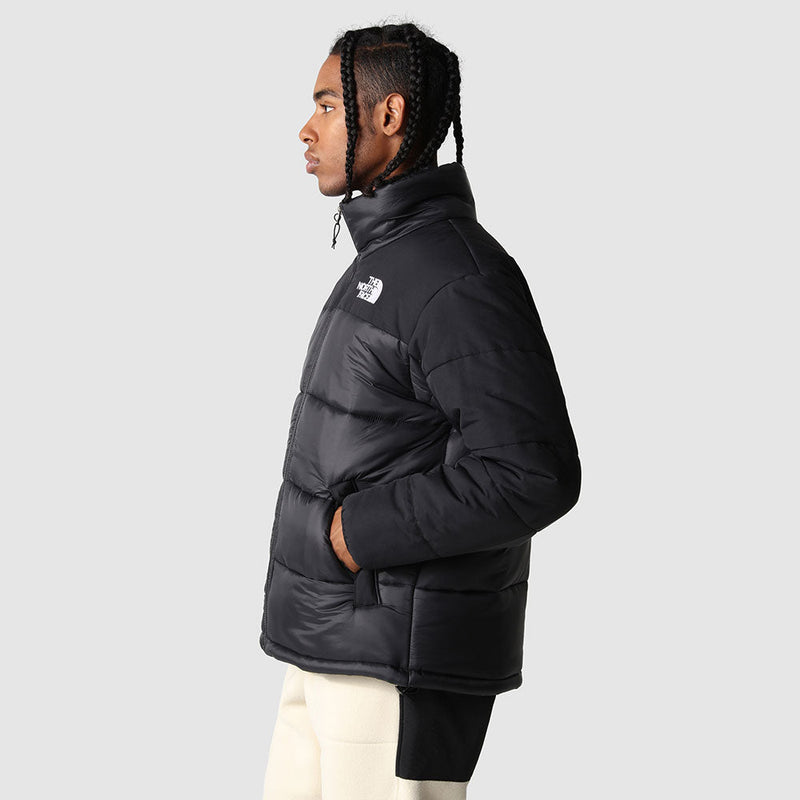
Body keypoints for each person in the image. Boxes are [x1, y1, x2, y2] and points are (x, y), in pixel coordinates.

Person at [260, 21, 581, 800]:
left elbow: (532, 472)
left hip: (396, 663)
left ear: (389, 115)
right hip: (332, 644)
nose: (306, 129)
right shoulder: (392, 262)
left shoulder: (456, 275)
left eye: (327, 106)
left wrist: (352, 535)